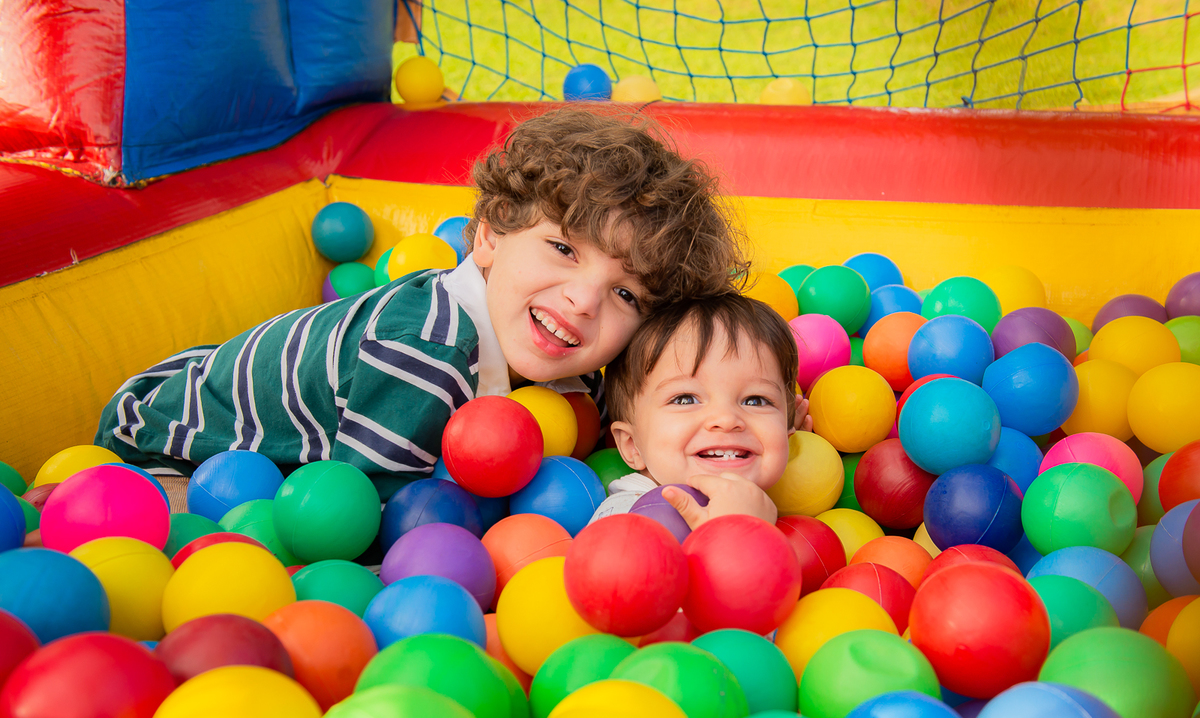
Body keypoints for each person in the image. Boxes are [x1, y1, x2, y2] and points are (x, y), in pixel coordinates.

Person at [94, 108, 748, 503]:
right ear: (488, 236)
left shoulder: (571, 362)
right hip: (169, 433)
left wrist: (755, 412)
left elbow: (635, 432)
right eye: (563, 249)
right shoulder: (424, 355)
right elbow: (374, 519)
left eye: (625, 293)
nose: (582, 300)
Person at [594, 292, 810, 529]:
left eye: (756, 401)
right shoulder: (629, 517)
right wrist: (743, 529)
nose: (727, 420)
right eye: (685, 400)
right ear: (632, 445)